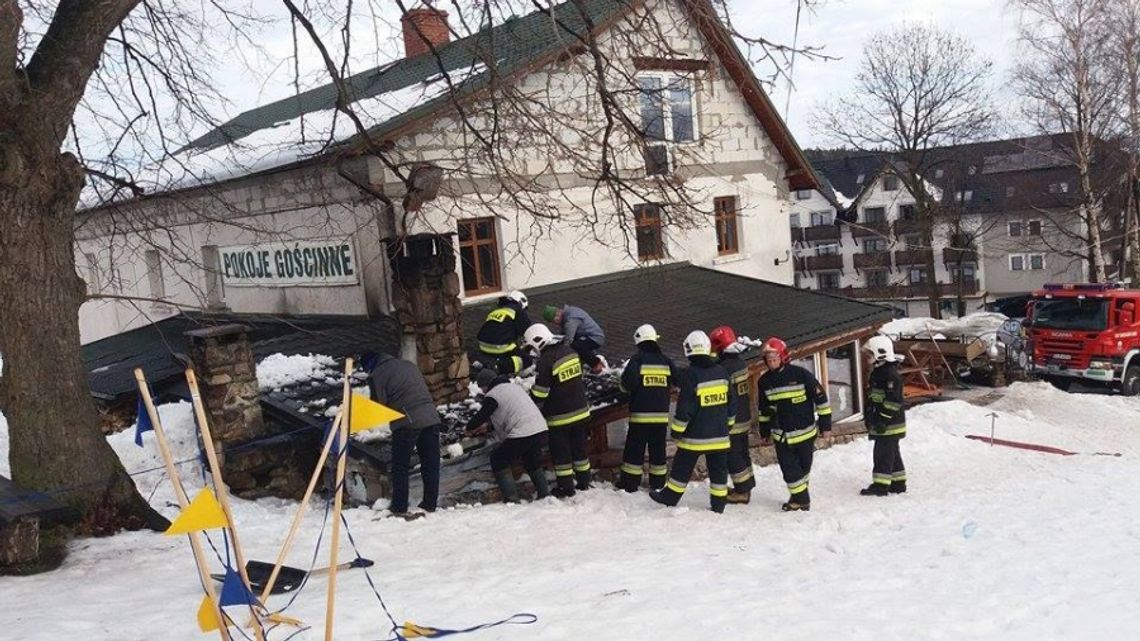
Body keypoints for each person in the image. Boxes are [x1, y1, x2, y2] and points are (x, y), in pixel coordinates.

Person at [649, 330, 736, 514]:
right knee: (719, 472)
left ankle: (669, 497)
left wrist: (676, 431)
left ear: (688, 350)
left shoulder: (690, 375)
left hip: (695, 438)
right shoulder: (721, 371)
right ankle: (719, 503)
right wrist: (728, 425)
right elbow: (732, 402)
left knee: (681, 468)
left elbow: (685, 407)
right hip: (720, 436)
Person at [756, 337, 831, 512]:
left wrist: (826, 426)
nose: (771, 361)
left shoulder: (801, 375)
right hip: (782, 436)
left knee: (803, 469)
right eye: (768, 359)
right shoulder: (764, 381)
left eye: (774, 357)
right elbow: (763, 409)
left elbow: (821, 400)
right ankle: (803, 499)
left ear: (783, 357)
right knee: (789, 470)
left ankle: (798, 498)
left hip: (805, 434)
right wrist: (764, 432)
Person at [368, 354, 442, 518]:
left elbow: (377, 405)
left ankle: (399, 506)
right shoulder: (408, 365)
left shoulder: (377, 374)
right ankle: (430, 503)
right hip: (431, 417)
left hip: (407, 421)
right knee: (430, 463)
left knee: (400, 466)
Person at [525, 323, 593, 497]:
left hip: (560, 417)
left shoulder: (546, 360)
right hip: (581, 411)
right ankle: (585, 481)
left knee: (561, 454)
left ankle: (566, 487)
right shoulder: (569, 351)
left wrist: (528, 397)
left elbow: (542, 392)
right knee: (579, 450)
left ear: (537, 341)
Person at [463, 368, 550, 503]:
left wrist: (469, 428)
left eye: (482, 387)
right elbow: (510, 413)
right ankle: (545, 495)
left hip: (523, 432)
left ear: (486, 385)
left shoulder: (493, 394)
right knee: (531, 460)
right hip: (540, 428)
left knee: (498, 459)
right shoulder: (513, 388)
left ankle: (511, 500)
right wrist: (489, 427)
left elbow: (482, 415)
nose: (483, 391)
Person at [617, 324, 676, 492]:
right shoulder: (666, 360)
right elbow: (679, 380)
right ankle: (658, 483)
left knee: (634, 450)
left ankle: (630, 483)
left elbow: (629, 383)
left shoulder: (637, 360)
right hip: (660, 417)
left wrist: (621, 388)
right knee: (658, 450)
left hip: (640, 416)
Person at [710, 325, 755, 504]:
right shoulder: (740, 362)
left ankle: (742, 492)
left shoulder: (724, 367)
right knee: (743, 453)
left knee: (733, 456)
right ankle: (747, 485)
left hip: (733, 421)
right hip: (744, 417)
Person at [860, 335, 908, 496]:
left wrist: (881, 421)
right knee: (892, 452)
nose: (868, 358)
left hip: (888, 425)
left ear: (879, 353)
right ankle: (898, 482)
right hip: (888, 424)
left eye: (869, 354)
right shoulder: (881, 372)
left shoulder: (889, 375)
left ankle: (880, 486)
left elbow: (893, 401)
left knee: (882, 454)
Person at [475, 290, 533, 374]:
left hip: (483, 347)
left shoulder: (496, 311)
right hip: (500, 347)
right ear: (521, 302)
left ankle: (484, 363)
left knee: (511, 346)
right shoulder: (517, 309)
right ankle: (499, 367)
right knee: (527, 360)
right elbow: (528, 330)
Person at [542, 303, 608, 373]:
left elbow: (569, 339)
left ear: (557, 315)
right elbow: (564, 334)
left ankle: (597, 365)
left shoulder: (571, 319)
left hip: (595, 337)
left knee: (576, 346)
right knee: (574, 345)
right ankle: (585, 361)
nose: (554, 323)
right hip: (586, 335)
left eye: (553, 321)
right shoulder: (568, 313)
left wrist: (561, 354)